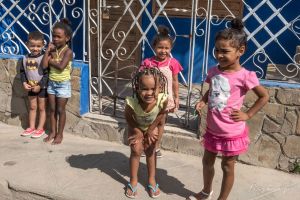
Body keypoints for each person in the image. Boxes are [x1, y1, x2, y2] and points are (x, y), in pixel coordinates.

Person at [187, 18, 269, 200]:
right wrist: (203, 100)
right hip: (212, 129)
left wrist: (248, 114)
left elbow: (264, 96)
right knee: (207, 161)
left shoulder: (246, 76)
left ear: (240, 51)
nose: (219, 55)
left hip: (231, 132)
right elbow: (213, 90)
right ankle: (206, 191)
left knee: (227, 166)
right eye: (216, 50)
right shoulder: (213, 71)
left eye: (225, 51)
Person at [124, 67, 168, 198]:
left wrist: (151, 129)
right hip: (135, 127)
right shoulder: (131, 102)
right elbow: (127, 118)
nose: (149, 93)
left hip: (151, 127)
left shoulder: (162, 100)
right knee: (136, 151)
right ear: (137, 88)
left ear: (160, 88)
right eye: (144, 89)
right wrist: (137, 131)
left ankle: (151, 180)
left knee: (150, 151)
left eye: (153, 89)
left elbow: (161, 114)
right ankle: (133, 180)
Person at [140, 26, 183, 157]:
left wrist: (176, 97)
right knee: (147, 121)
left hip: (165, 99)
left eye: (166, 48)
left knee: (160, 122)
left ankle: (156, 147)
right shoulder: (148, 62)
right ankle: (145, 144)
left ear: (170, 49)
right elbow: (140, 79)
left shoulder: (173, 63)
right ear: (154, 47)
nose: (163, 51)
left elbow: (175, 81)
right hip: (149, 98)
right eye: (160, 47)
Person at [42, 19, 73, 145]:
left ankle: (60, 134)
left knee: (60, 110)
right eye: (53, 36)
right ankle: (53, 132)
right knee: (52, 109)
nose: (55, 39)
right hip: (52, 83)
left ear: (67, 38)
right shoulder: (52, 50)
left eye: (58, 36)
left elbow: (61, 66)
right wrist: (47, 52)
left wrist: (50, 61)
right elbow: (44, 66)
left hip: (63, 85)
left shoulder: (68, 52)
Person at [20, 31, 48, 138]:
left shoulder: (43, 58)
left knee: (41, 108)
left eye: (38, 46)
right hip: (30, 87)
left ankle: (40, 128)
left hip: (42, 88)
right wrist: (24, 83)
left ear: (42, 45)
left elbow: (46, 74)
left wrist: (40, 85)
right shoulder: (25, 58)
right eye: (32, 46)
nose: (35, 48)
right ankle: (31, 127)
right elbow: (22, 72)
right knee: (32, 107)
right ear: (27, 44)